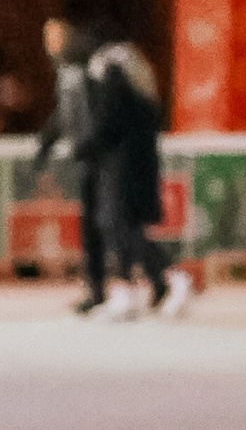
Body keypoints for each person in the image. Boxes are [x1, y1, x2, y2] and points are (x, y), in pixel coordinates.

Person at [83, 32, 192, 318]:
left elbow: (110, 121)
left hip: (122, 165)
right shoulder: (135, 74)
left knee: (119, 226)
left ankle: (164, 278)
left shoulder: (110, 71)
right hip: (136, 162)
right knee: (127, 227)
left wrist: (89, 145)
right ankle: (156, 284)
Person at [35, 18, 107, 311]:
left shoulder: (82, 67)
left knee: (112, 224)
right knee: (93, 225)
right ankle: (96, 288)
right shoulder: (65, 69)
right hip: (86, 155)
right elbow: (64, 114)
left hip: (98, 156)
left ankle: (160, 277)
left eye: (54, 35)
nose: (49, 42)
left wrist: (91, 142)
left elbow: (94, 112)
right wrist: (46, 143)